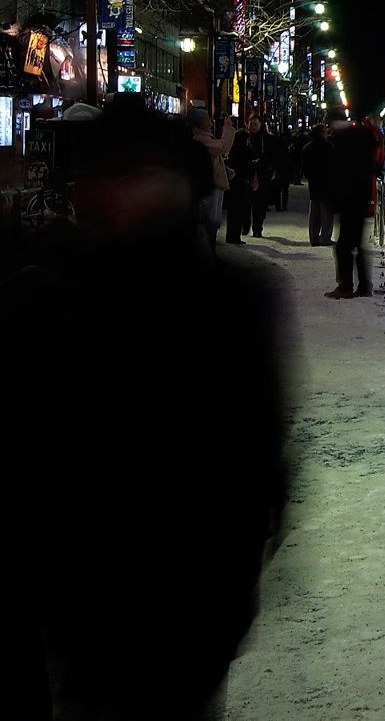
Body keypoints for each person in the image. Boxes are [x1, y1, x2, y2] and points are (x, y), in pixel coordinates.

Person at [4, 96, 285, 719]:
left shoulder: (224, 303)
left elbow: (257, 460)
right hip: (72, 603)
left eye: (125, 175)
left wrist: (228, 595)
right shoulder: (46, 291)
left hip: (181, 603)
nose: (103, 193)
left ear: (169, 184)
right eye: (92, 178)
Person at [327, 118, 379, 298]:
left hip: (350, 201)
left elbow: (343, 175)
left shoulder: (347, 144)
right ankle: (363, 285)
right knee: (355, 244)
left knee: (343, 246)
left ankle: (346, 285)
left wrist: (339, 198)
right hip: (357, 200)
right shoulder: (361, 142)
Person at [188, 107, 237, 248]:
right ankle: (208, 253)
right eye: (207, 118)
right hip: (211, 185)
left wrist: (224, 170)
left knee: (213, 222)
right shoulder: (201, 140)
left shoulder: (205, 138)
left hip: (215, 183)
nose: (210, 121)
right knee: (210, 222)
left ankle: (210, 253)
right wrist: (227, 128)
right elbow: (223, 147)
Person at [225, 115, 267, 244]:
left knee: (238, 208)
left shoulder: (261, 139)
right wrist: (254, 164)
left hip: (241, 179)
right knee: (238, 207)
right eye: (251, 124)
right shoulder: (242, 148)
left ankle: (236, 234)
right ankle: (235, 235)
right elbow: (245, 163)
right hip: (240, 179)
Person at [302, 123, 335, 245]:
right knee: (327, 213)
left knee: (314, 213)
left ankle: (314, 238)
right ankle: (325, 238)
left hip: (314, 185)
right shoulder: (328, 148)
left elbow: (304, 168)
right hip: (326, 184)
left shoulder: (307, 148)